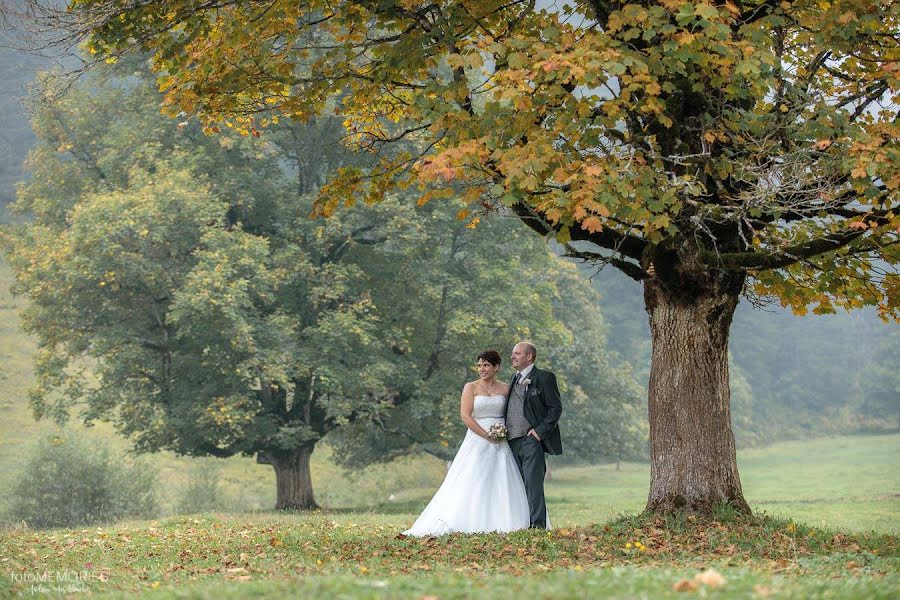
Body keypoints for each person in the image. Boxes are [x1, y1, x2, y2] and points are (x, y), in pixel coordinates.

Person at [403, 350, 530, 536]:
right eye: (479, 365)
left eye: (486, 365)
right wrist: (486, 435)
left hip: (501, 440)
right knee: (473, 477)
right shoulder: (470, 387)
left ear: (496, 367)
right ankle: (467, 519)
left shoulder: (505, 389)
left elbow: (514, 413)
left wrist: (504, 432)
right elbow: (465, 415)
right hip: (477, 439)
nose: (482, 369)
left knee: (501, 478)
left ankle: (505, 520)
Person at [505, 341, 562, 529]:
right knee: (517, 484)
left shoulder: (544, 378)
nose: (512, 356)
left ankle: (537, 526)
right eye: (513, 353)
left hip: (531, 441)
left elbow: (555, 408)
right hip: (511, 441)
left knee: (533, 484)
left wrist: (538, 432)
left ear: (529, 357)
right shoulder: (513, 378)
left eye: (517, 353)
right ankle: (522, 522)